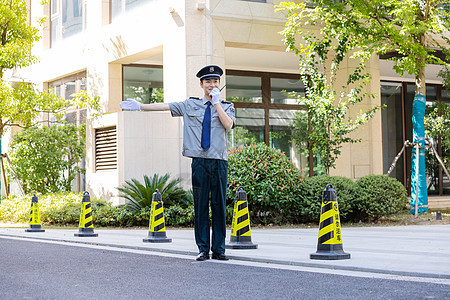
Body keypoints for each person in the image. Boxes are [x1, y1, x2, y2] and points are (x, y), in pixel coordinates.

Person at [120, 65, 235, 261]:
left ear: (219, 83)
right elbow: (165, 106)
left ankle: (219, 249)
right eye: (208, 81)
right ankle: (202, 248)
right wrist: (140, 106)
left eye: (215, 81)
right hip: (199, 161)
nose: (212, 84)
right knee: (200, 206)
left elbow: (229, 125)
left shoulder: (226, 106)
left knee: (218, 206)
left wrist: (217, 104)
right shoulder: (190, 105)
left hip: (219, 161)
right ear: (201, 84)